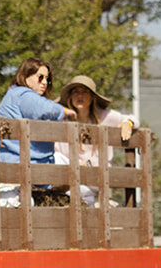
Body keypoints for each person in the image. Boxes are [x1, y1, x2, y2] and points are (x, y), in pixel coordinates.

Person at [56, 74, 136, 205]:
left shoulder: (104, 117)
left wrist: (128, 123)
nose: (80, 96)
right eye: (75, 92)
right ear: (70, 96)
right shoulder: (62, 120)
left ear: (92, 97)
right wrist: (75, 163)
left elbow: (132, 118)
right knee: (56, 157)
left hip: (95, 178)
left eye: (84, 92)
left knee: (76, 190)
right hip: (71, 177)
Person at [0, 58, 73, 167]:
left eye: (47, 78)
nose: (45, 82)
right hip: (24, 164)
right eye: (40, 77)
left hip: (16, 161)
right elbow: (47, 109)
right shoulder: (23, 94)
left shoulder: (14, 94)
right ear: (26, 76)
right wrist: (64, 111)